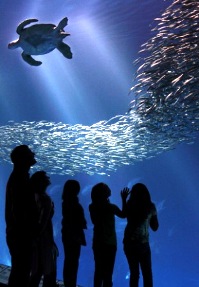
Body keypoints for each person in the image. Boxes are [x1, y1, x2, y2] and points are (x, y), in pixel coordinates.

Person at [5, 144, 37, 287]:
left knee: (20, 271)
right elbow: (20, 209)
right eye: (30, 153)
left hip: (18, 233)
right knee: (21, 271)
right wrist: (28, 231)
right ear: (22, 159)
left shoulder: (20, 177)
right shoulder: (20, 179)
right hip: (21, 234)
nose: (33, 154)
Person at [89, 182, 129, 287]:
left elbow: (94, 221)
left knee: (98, 270)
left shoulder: (92, 207)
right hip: (110, 243)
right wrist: (124, 199)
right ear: (103, 193)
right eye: (106, 187)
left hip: (98, 242)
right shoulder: (111, 207)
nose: (109, 188)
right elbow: (124, 214)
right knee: (108, 273)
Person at [123, 183, 159, 287]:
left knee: (134, 274)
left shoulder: (130, 204)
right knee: (147, 274)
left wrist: (124, 199)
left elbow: (123, 214)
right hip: (143, 244)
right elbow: (155, 227)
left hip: (129, 243)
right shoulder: (150, 206)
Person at [29, 171, 59, 287]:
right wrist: (42, 239)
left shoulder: (33, 195)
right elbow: (43, 222)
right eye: (45, 177)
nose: (48, 178)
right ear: (41, 182)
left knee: (36, 270)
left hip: (36, 237)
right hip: (44, 239)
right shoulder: (45, 199)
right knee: (48, 270)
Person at [61, 179, 87, 287]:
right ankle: (71, 284)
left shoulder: (65, 202)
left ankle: (68, 283)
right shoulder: (75, 205)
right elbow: (79, 222)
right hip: (74, 236)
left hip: (66, 234)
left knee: (68, 261)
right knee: (73, 262)